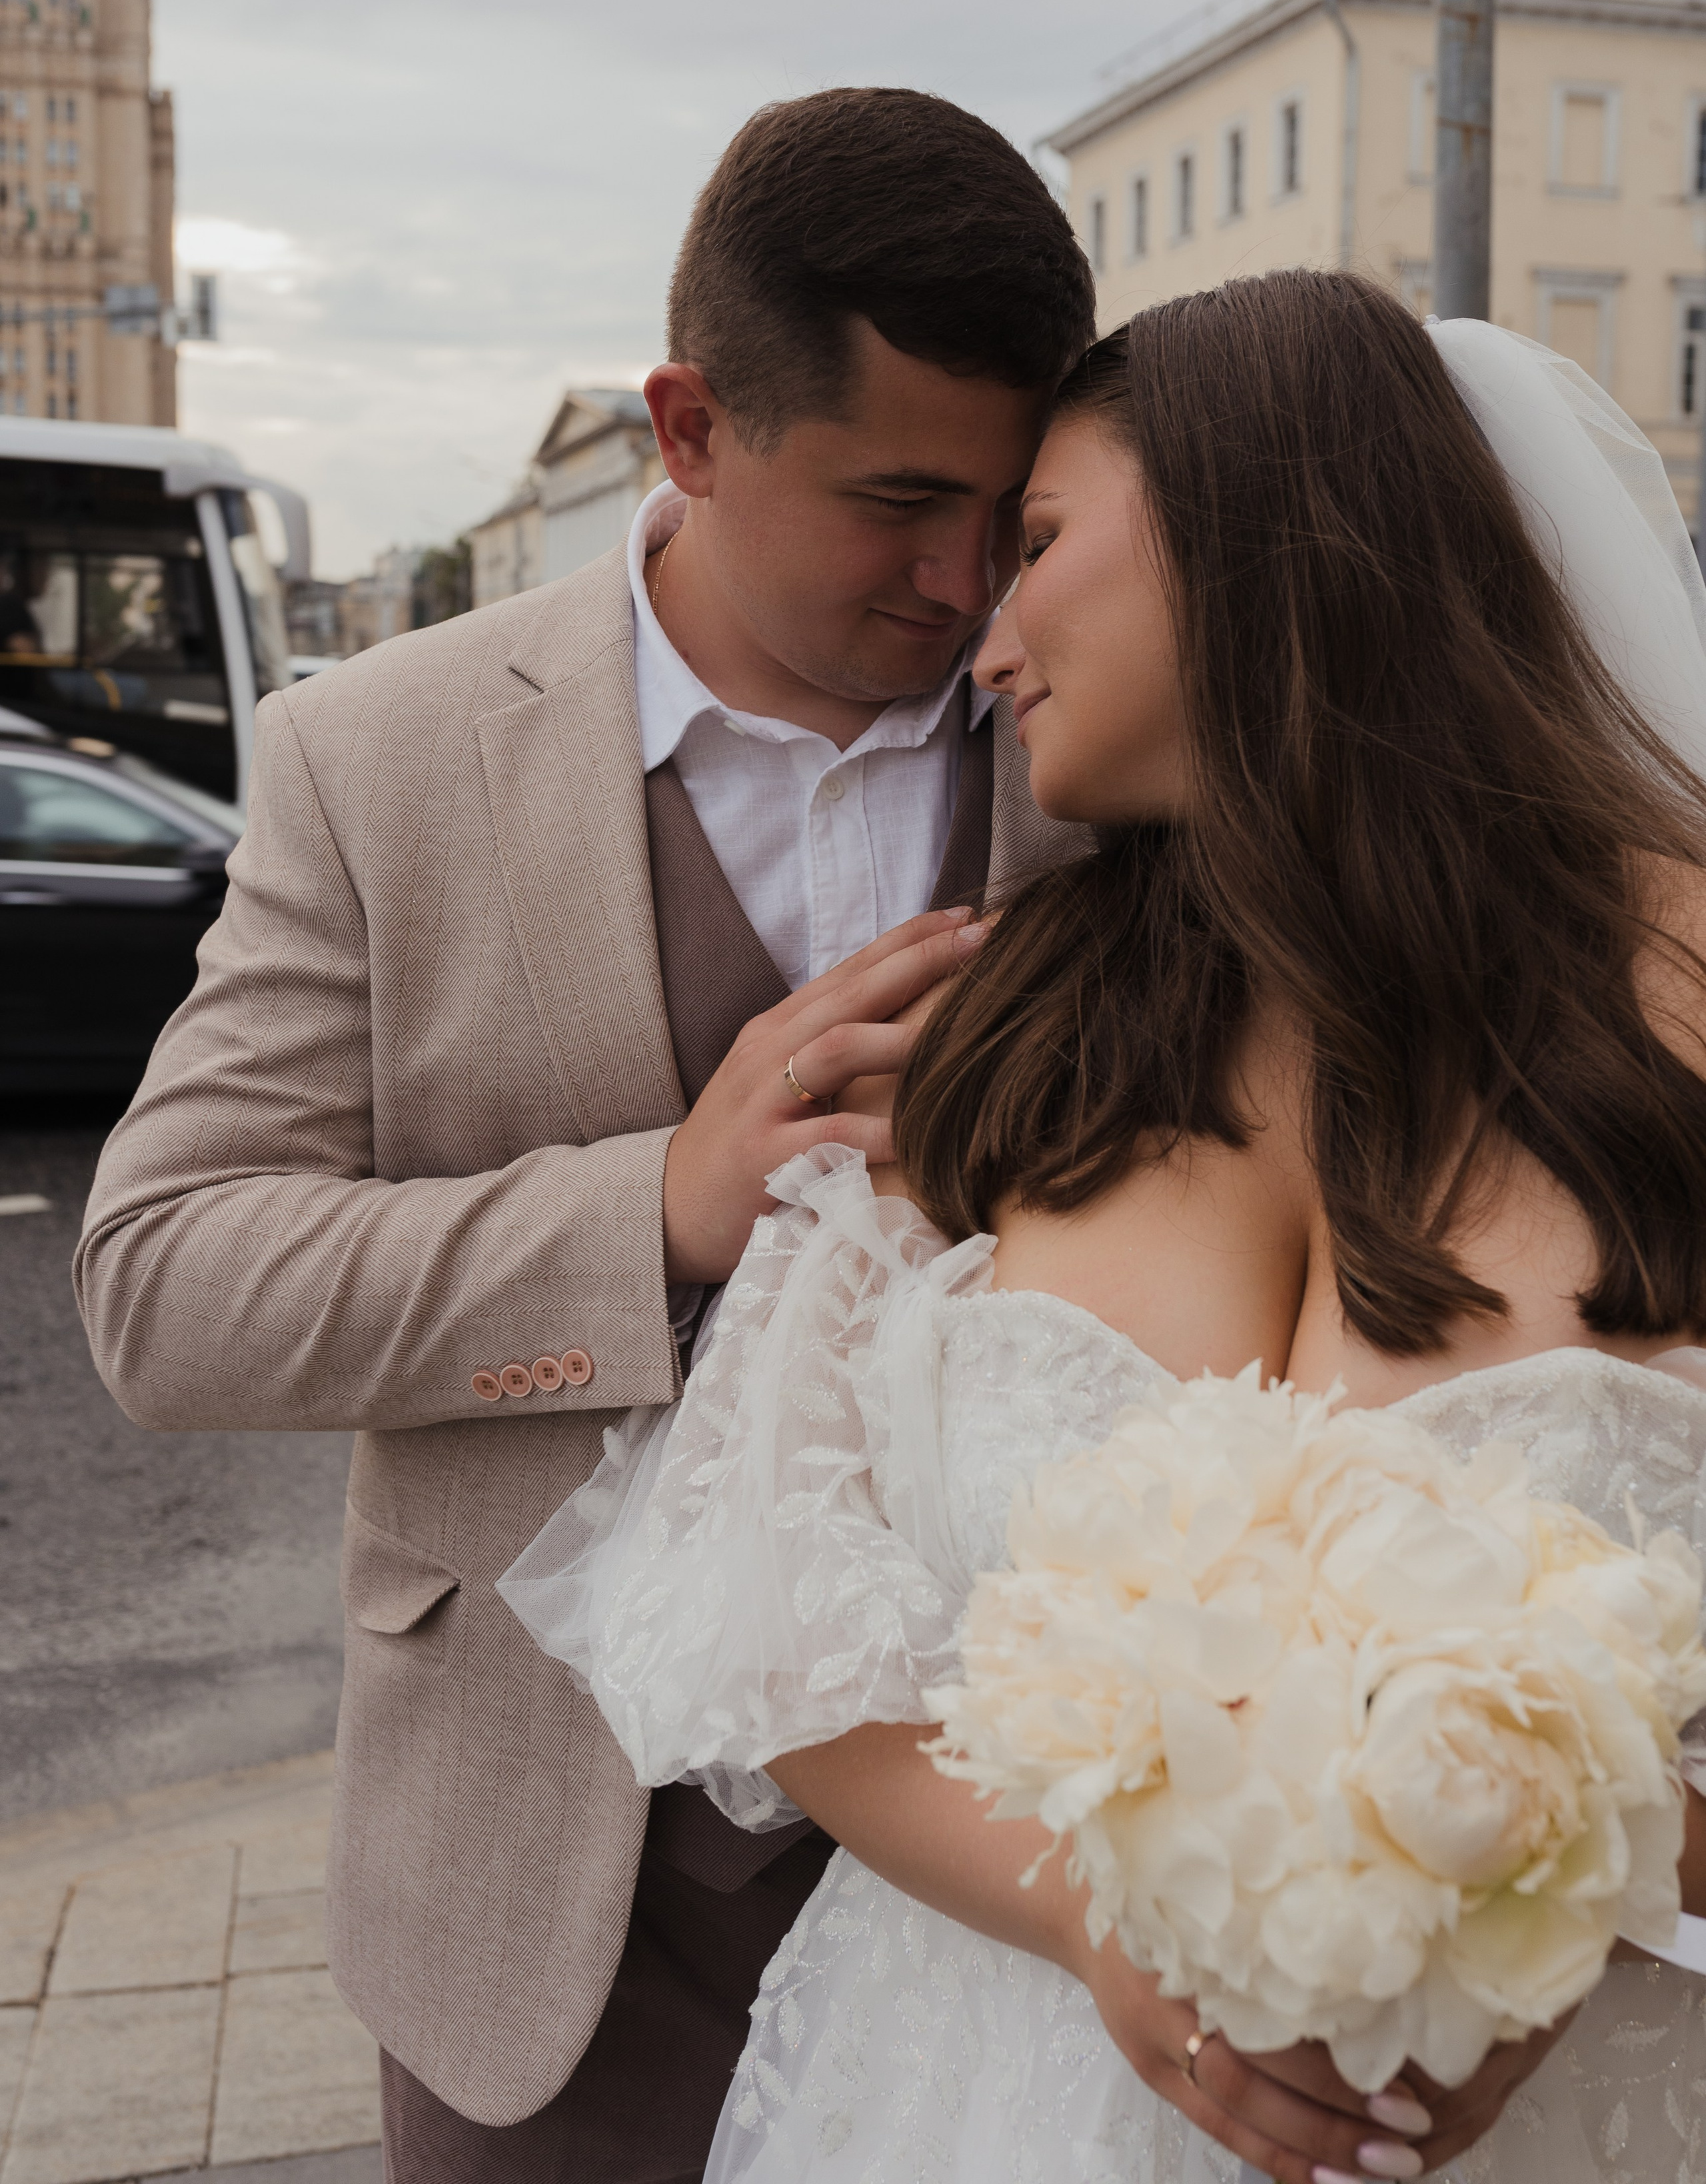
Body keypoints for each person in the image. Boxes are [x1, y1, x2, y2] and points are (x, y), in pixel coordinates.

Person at [504, 271, 1706, 2183]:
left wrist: (1541, 1910)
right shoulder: (1004, 1037)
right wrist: (1097, 1918)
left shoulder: (1688, 992)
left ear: (1259, 532)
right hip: (992, 2087)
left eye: (1038, 545)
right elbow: (782, 1631)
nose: (983, 645)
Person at [73, 85, 1098, 2181]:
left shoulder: (1120, 736)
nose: (966, 574)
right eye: (901, 498)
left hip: (1040, 1854)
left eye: (1015, 505)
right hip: (554, 1903)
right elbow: (164, 1285)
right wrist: (659, 1206)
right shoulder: (380, 759)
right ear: (694, 428)